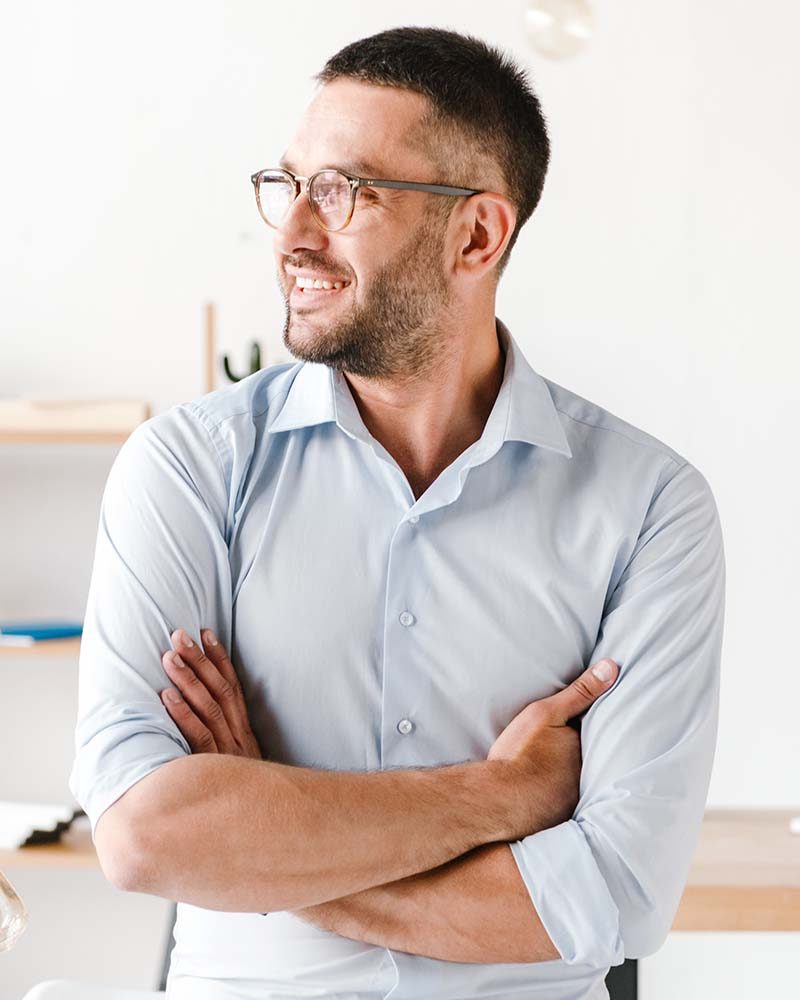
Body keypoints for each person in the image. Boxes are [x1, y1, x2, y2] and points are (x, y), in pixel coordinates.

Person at [68, 25, 726, 1000]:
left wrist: (265, 842)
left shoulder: (647, 508)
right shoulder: (190, 468)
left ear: (476, 234)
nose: (293, 232)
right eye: (287, 184)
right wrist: (494, 799)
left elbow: (616, 896)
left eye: (342, 191)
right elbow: (142, 834)